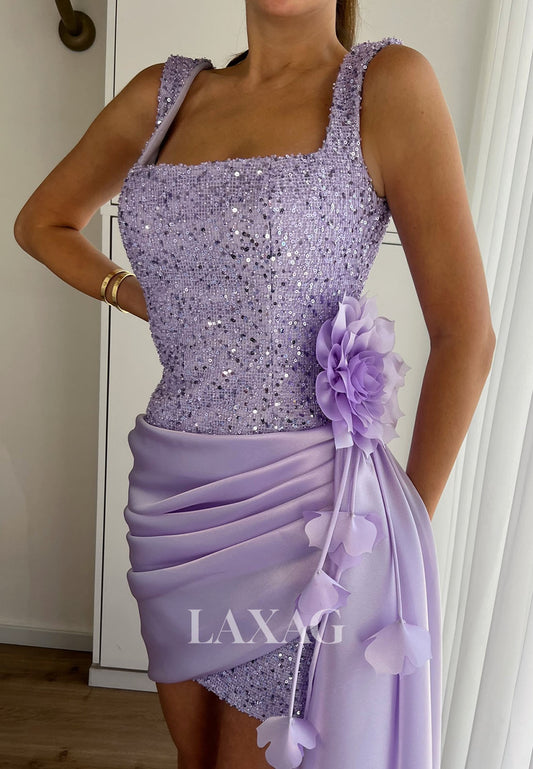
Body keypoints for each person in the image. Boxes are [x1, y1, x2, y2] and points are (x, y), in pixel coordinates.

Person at [13, 1, 495, 767]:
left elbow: (465, 334)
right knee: (195, 755)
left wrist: (399, 531)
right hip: (172, 501)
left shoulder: (384, 85)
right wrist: (134, 294)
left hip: (306, 519)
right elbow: (41, 221)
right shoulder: (160, 96)